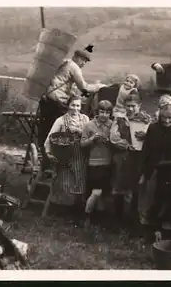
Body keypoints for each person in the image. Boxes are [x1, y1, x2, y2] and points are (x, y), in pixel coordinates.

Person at [38, 45, 105, 171]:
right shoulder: (74, 67)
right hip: (56, 102)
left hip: (47, 99)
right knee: (65, 129)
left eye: (86, 61)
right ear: (77, 57)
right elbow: (84, 87)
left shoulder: (64, 63)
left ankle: (46, 162)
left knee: (46, 130)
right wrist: (99, 86)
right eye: (83, 60)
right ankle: (63, 161)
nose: (84, 63)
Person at [44, 94, 90, 225]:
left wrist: (78, 131)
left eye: (78, 106)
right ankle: (62, 211)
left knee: (80, 182)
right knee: (65, 182)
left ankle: (77, 213)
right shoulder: (61, 120)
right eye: (73, 105)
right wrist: (48, 152)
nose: (75, 108)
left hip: (81, 155)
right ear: (68, 106)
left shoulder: (85, 119)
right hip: (65, 156)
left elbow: (89, 134)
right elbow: (50, 137)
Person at [109, 91, 153, 229]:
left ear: (139, 106)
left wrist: (146, 136)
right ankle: (117, 219)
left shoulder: (145, 120)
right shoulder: (120, 119)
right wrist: (126, 143)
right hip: (123, 157)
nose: (130, 109)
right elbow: (113, 137)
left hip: (138, 158)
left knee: (136, 188)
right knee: (119, 186)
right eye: (128, 106)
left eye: (133, 106)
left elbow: (152, 138)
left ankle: (133, 220)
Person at [80, 100, 114, 228]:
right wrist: (92, 139)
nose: (104, 115)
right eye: (102, 112)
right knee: (96, 192)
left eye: (107, 112)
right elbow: (82, 144)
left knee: (103, 193)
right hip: (94, 163)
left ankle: (99, 218)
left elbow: (116, 142)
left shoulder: (113, 124)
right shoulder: (89, 125)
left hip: (108, 163)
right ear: (97, 112)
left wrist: (109, 141)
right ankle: (86, 215)